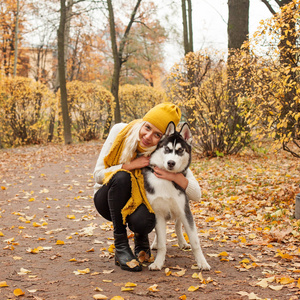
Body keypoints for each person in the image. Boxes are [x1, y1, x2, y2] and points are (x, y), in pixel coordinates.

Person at [93, 102, 201, 272]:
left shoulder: (163, 152)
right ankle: (121, 246)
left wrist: (173, 175)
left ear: (164, 139)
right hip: (108, 198)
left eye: (157, 134)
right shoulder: (121, 131)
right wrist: (130, 165)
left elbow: (196, 193)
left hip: (137, 205)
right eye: (147, 127)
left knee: (148, 217)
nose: (148, 136)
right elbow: (98, 175)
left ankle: (141, 240)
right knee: (122, 177)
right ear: (143, 122)